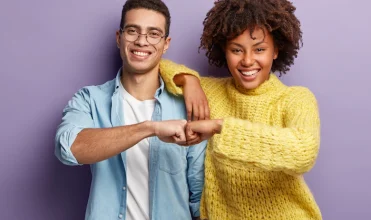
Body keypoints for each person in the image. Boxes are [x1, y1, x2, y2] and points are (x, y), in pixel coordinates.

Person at [159, 0, 322, 219]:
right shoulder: (213, 92)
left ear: (276, 50)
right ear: (224, 51)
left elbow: (303, 152)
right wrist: (189, 80)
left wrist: (220, 127)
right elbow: (159, 65)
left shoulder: (295, 98)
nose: (247, 61)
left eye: (260, 49)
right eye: (236, 50)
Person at [55, 0, 206, 219]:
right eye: (133, 31)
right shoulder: (89, 100)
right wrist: (149, 128)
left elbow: (199, 193)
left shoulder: (187, 107)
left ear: (166, 44)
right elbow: (67, 149)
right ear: (119, 37)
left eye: (154, 34)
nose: (141, 41)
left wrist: (191, 80)